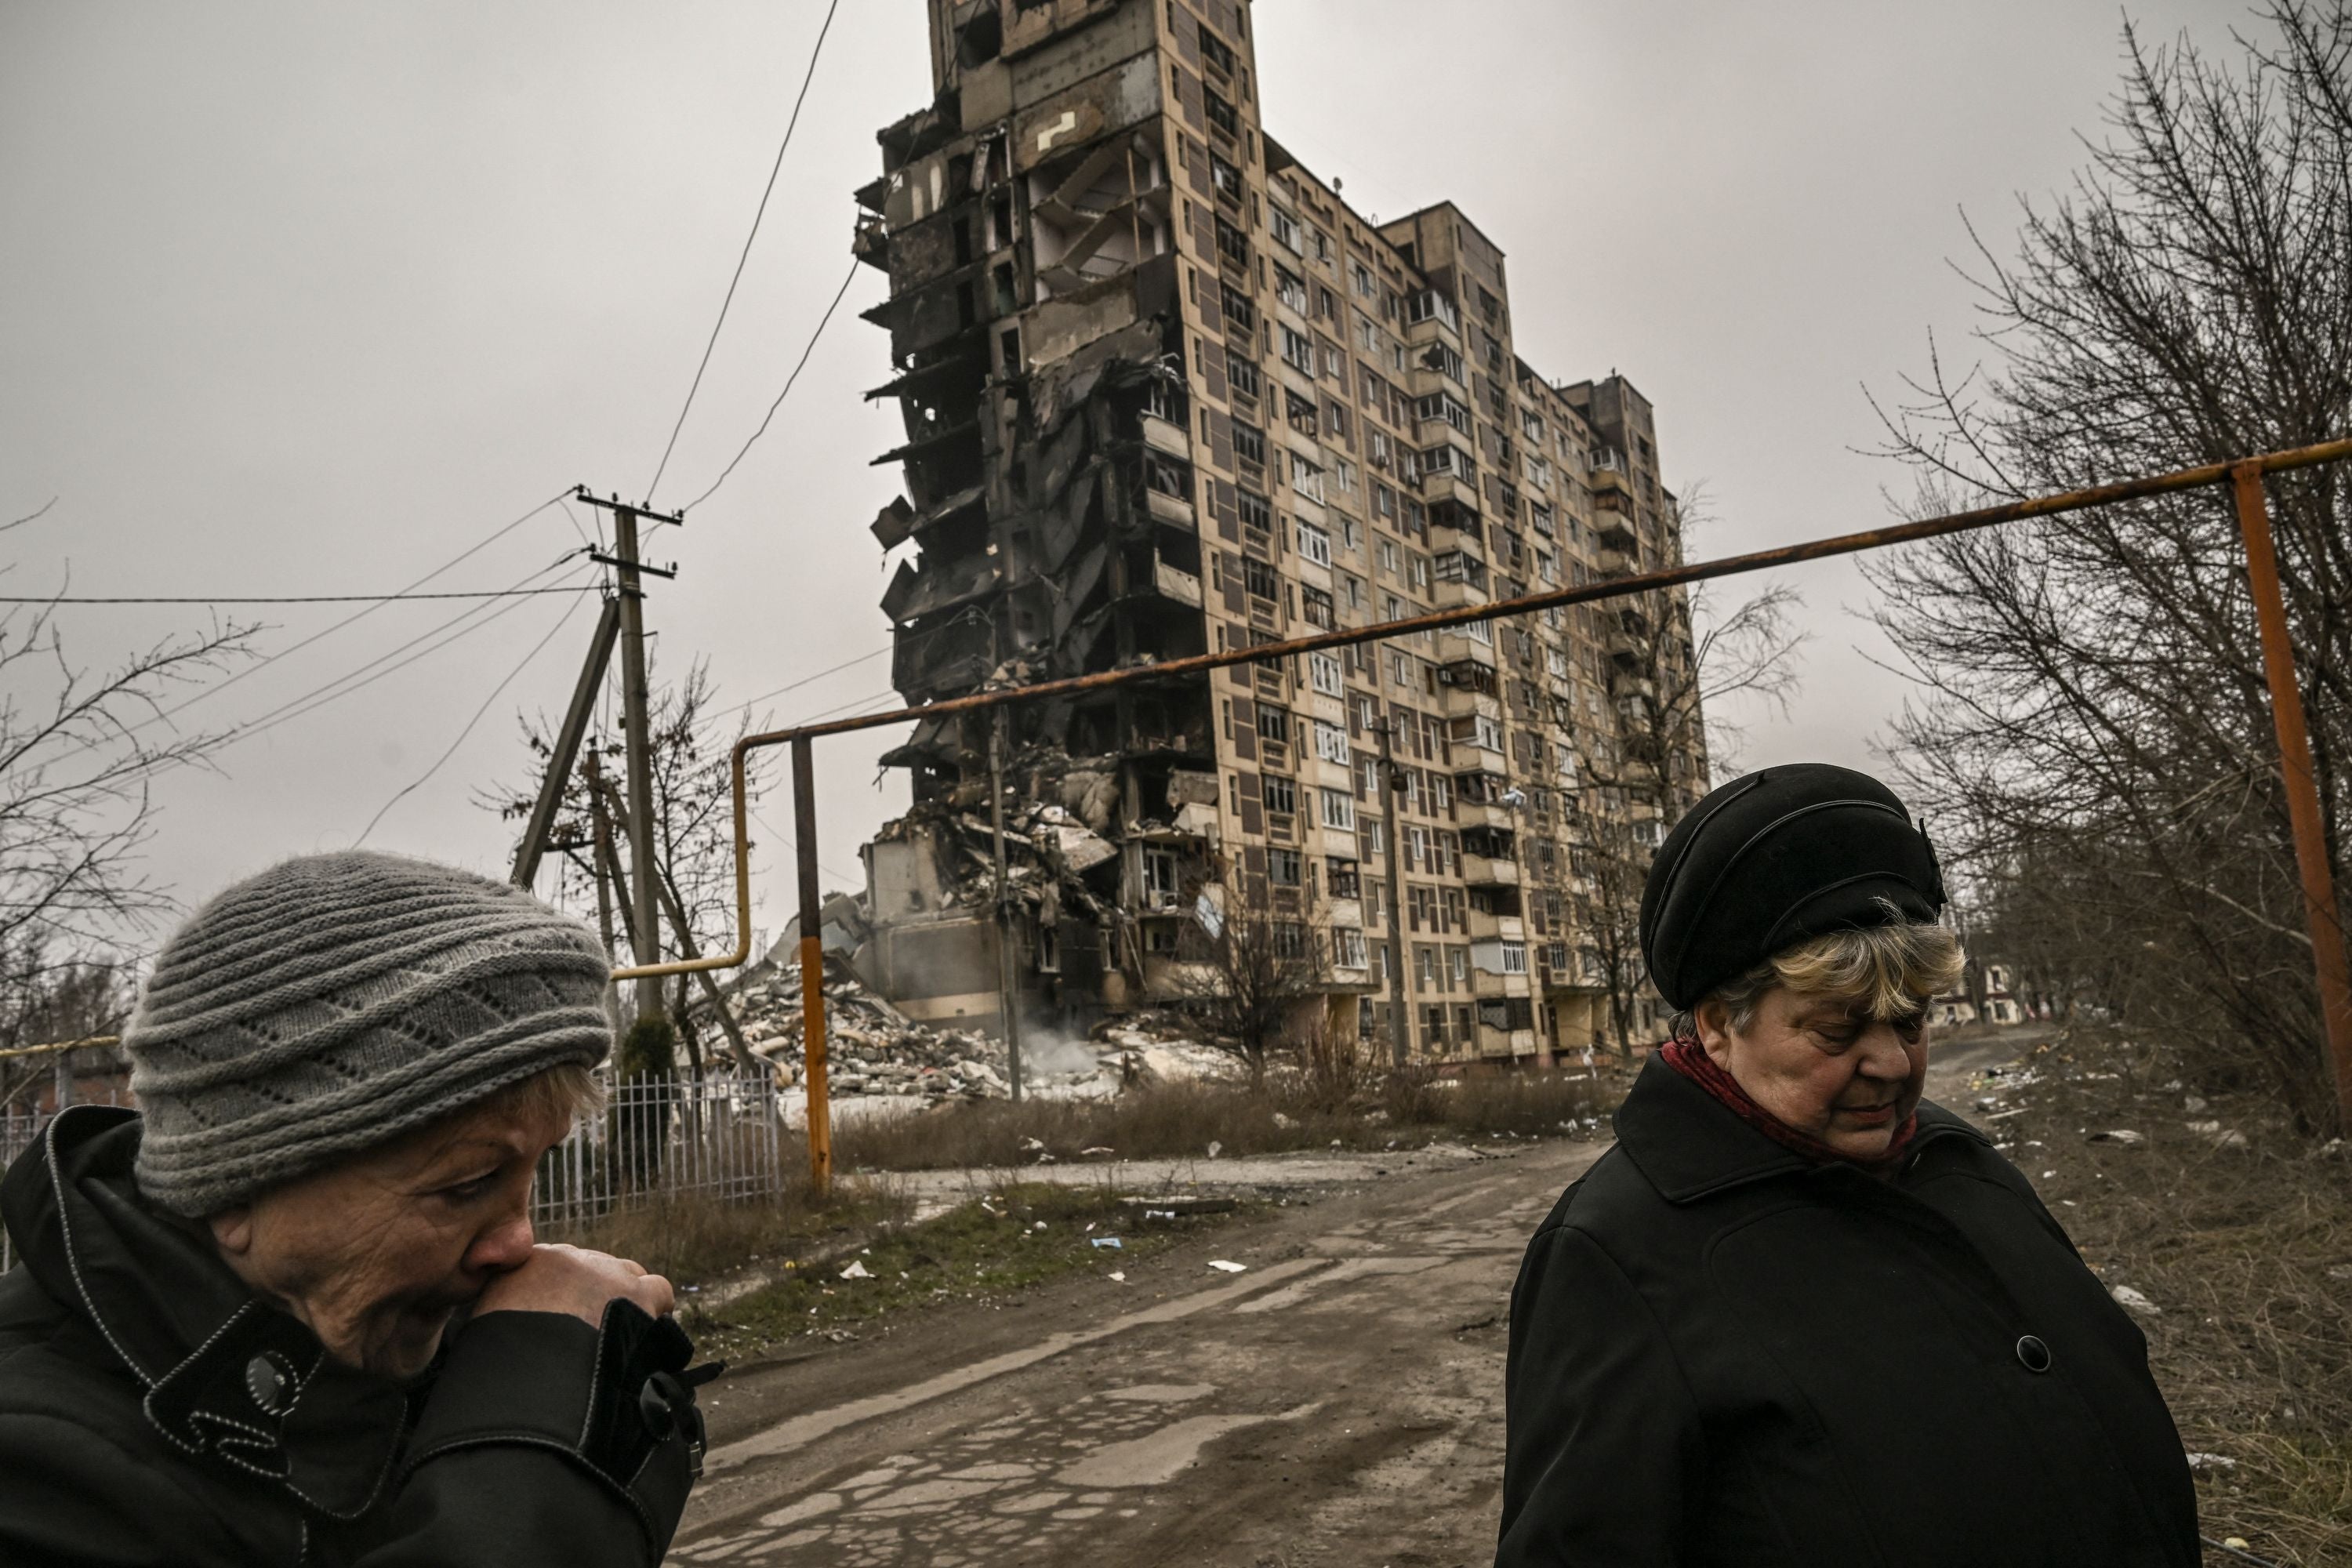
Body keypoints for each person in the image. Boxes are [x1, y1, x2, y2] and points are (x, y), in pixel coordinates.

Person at [1496, 765, 2198, 1567]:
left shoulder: (1957, 1160)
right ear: (1722, 1024)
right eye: (1838, 1030)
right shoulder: (1616, 1252)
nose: (1892, 1063)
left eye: (1913, 1020)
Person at [0, 851, 712, 1566]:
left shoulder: (393, 1355)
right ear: (238, 1185)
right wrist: (537, 1454)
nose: (519, 1242)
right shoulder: (37, 1475)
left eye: (535, 1169)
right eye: (467, 1183)